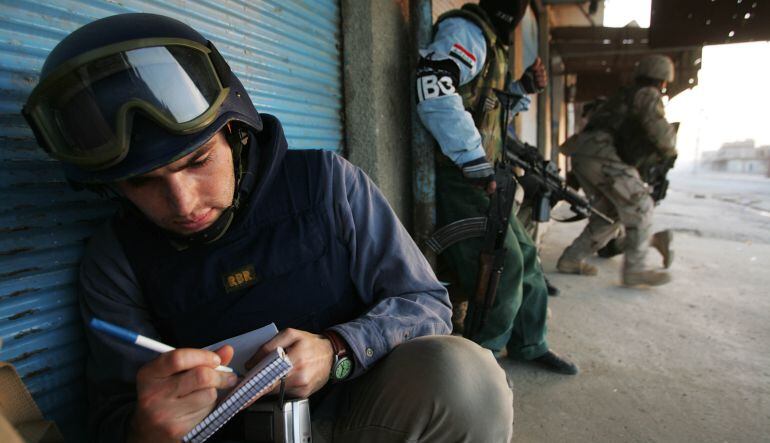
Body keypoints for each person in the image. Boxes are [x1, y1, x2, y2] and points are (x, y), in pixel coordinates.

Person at [22, 13, 514, 442]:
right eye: (142, 183)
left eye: (198, 161)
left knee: (468, 379)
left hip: (357, 420)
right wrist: (147, 430)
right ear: (111, 189)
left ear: (234, 132)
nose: (183, 203)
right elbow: (112, 417)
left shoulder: (327, 183)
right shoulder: (115, 260)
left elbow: (426, 304)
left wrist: (337, 350)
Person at [416, 0, 577, 374]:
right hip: (460, 175)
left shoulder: (490, 41)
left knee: (527, 257)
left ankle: (529, 343)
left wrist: (521, 90)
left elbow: (488, 111)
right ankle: (479, 363)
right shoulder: (467, 32)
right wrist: (472, 159)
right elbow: (433, 89)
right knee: (501, 268)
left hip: (484, 176)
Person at [556, 54, 678, 286]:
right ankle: (635, 270)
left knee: (609, 214)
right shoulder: (647, 95)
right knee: (641, 205)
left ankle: (571, 259)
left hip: (584, 154)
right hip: (603, 155)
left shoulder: (624, 95)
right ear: (662, 79)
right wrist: (670, 148)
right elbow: (664, 138)